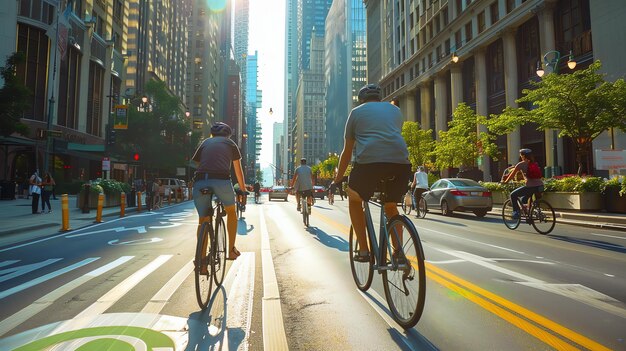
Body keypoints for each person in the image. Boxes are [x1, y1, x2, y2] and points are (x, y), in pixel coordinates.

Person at [332, 83, 411, 262]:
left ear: (361, 100)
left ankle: (364, 250)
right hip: (400, 164)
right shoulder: (395, 111)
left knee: (354, 198)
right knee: (391, 206)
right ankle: (399, 253)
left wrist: (337, 179)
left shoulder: (356, 113)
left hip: (369, 164)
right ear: (379, 98)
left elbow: (347, 151)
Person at [192, 122, 246, 261]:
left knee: (203, 219)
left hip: (200, 181)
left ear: (212, 134)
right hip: (221, 181)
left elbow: (196, 164)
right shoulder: (231, 144)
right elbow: (238, 170)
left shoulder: (205, 143)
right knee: (231, 212)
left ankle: (201, 260)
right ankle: (231, 250)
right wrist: (243, 190)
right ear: (228, 135)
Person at [502, 148, 544, 219]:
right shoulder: (535, 163)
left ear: (523, 156)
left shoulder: (521, 164)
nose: (520, 157)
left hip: (530, 187)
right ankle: (531, 211)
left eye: (521, 155)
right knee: (523, 199)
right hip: (540, 186)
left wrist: (505, 182)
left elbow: (512, 176)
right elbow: (531, 175)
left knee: (513, 195)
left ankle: (516, 212)